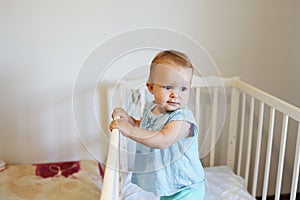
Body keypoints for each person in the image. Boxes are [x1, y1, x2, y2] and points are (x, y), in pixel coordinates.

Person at [110, 50, 206, 200]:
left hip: (185, 188)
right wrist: (130, 120)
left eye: (183, 88)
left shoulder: (182, 119)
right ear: (151, 88)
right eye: (168, 87)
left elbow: (162, 139)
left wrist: (129, 130)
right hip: (168, 185)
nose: (176, 94)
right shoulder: (151, 108)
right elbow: (145, 127)